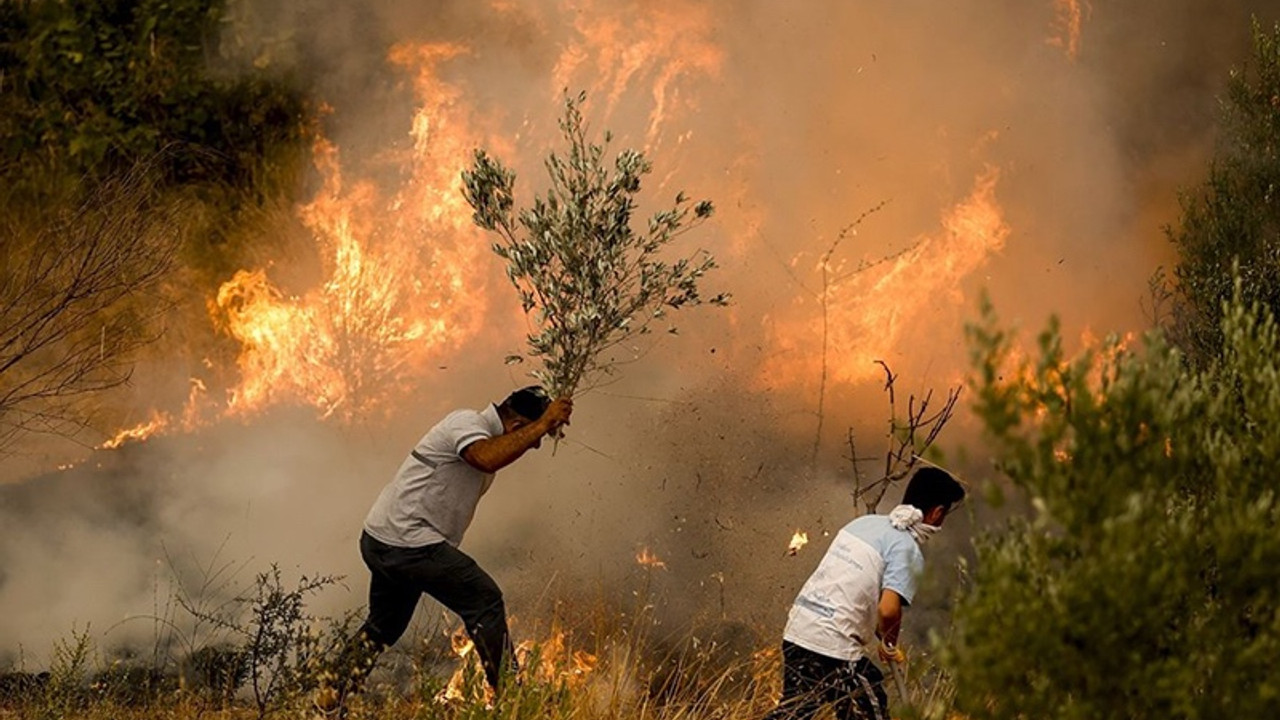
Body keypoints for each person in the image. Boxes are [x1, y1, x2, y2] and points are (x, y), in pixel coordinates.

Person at [317, 385, 572, 712]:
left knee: (385, 625)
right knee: (484, 598)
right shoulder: (465, 423)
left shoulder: (481, 431)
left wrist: (545, 422)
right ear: (518, 426)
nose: (534, 445)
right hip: (407, 542)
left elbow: (494, 453)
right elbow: (484, 457)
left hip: (384, 539)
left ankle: (329, 698)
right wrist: (543, 423)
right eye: (532, 437)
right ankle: (514, 701)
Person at [763, 466, 965, 720]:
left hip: (799, 631)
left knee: (795, 712)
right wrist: (890, 644)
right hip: (832, 647)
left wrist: (882, 631)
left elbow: (854, 588)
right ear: (937, 513)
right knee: (871, 710)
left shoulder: (864, 524)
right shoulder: (906, 549)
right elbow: (888, 609)